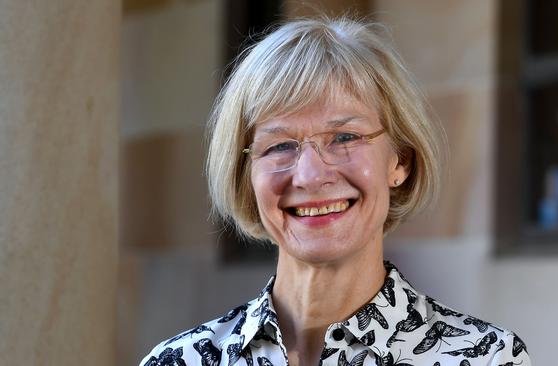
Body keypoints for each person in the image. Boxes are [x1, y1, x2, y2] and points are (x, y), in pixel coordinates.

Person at [140, 17, 532, 366]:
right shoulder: (177, 362)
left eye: (345, 137)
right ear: (246, 174)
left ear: (400, 161)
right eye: (279, 145)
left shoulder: (487, 358)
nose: (310, 175)